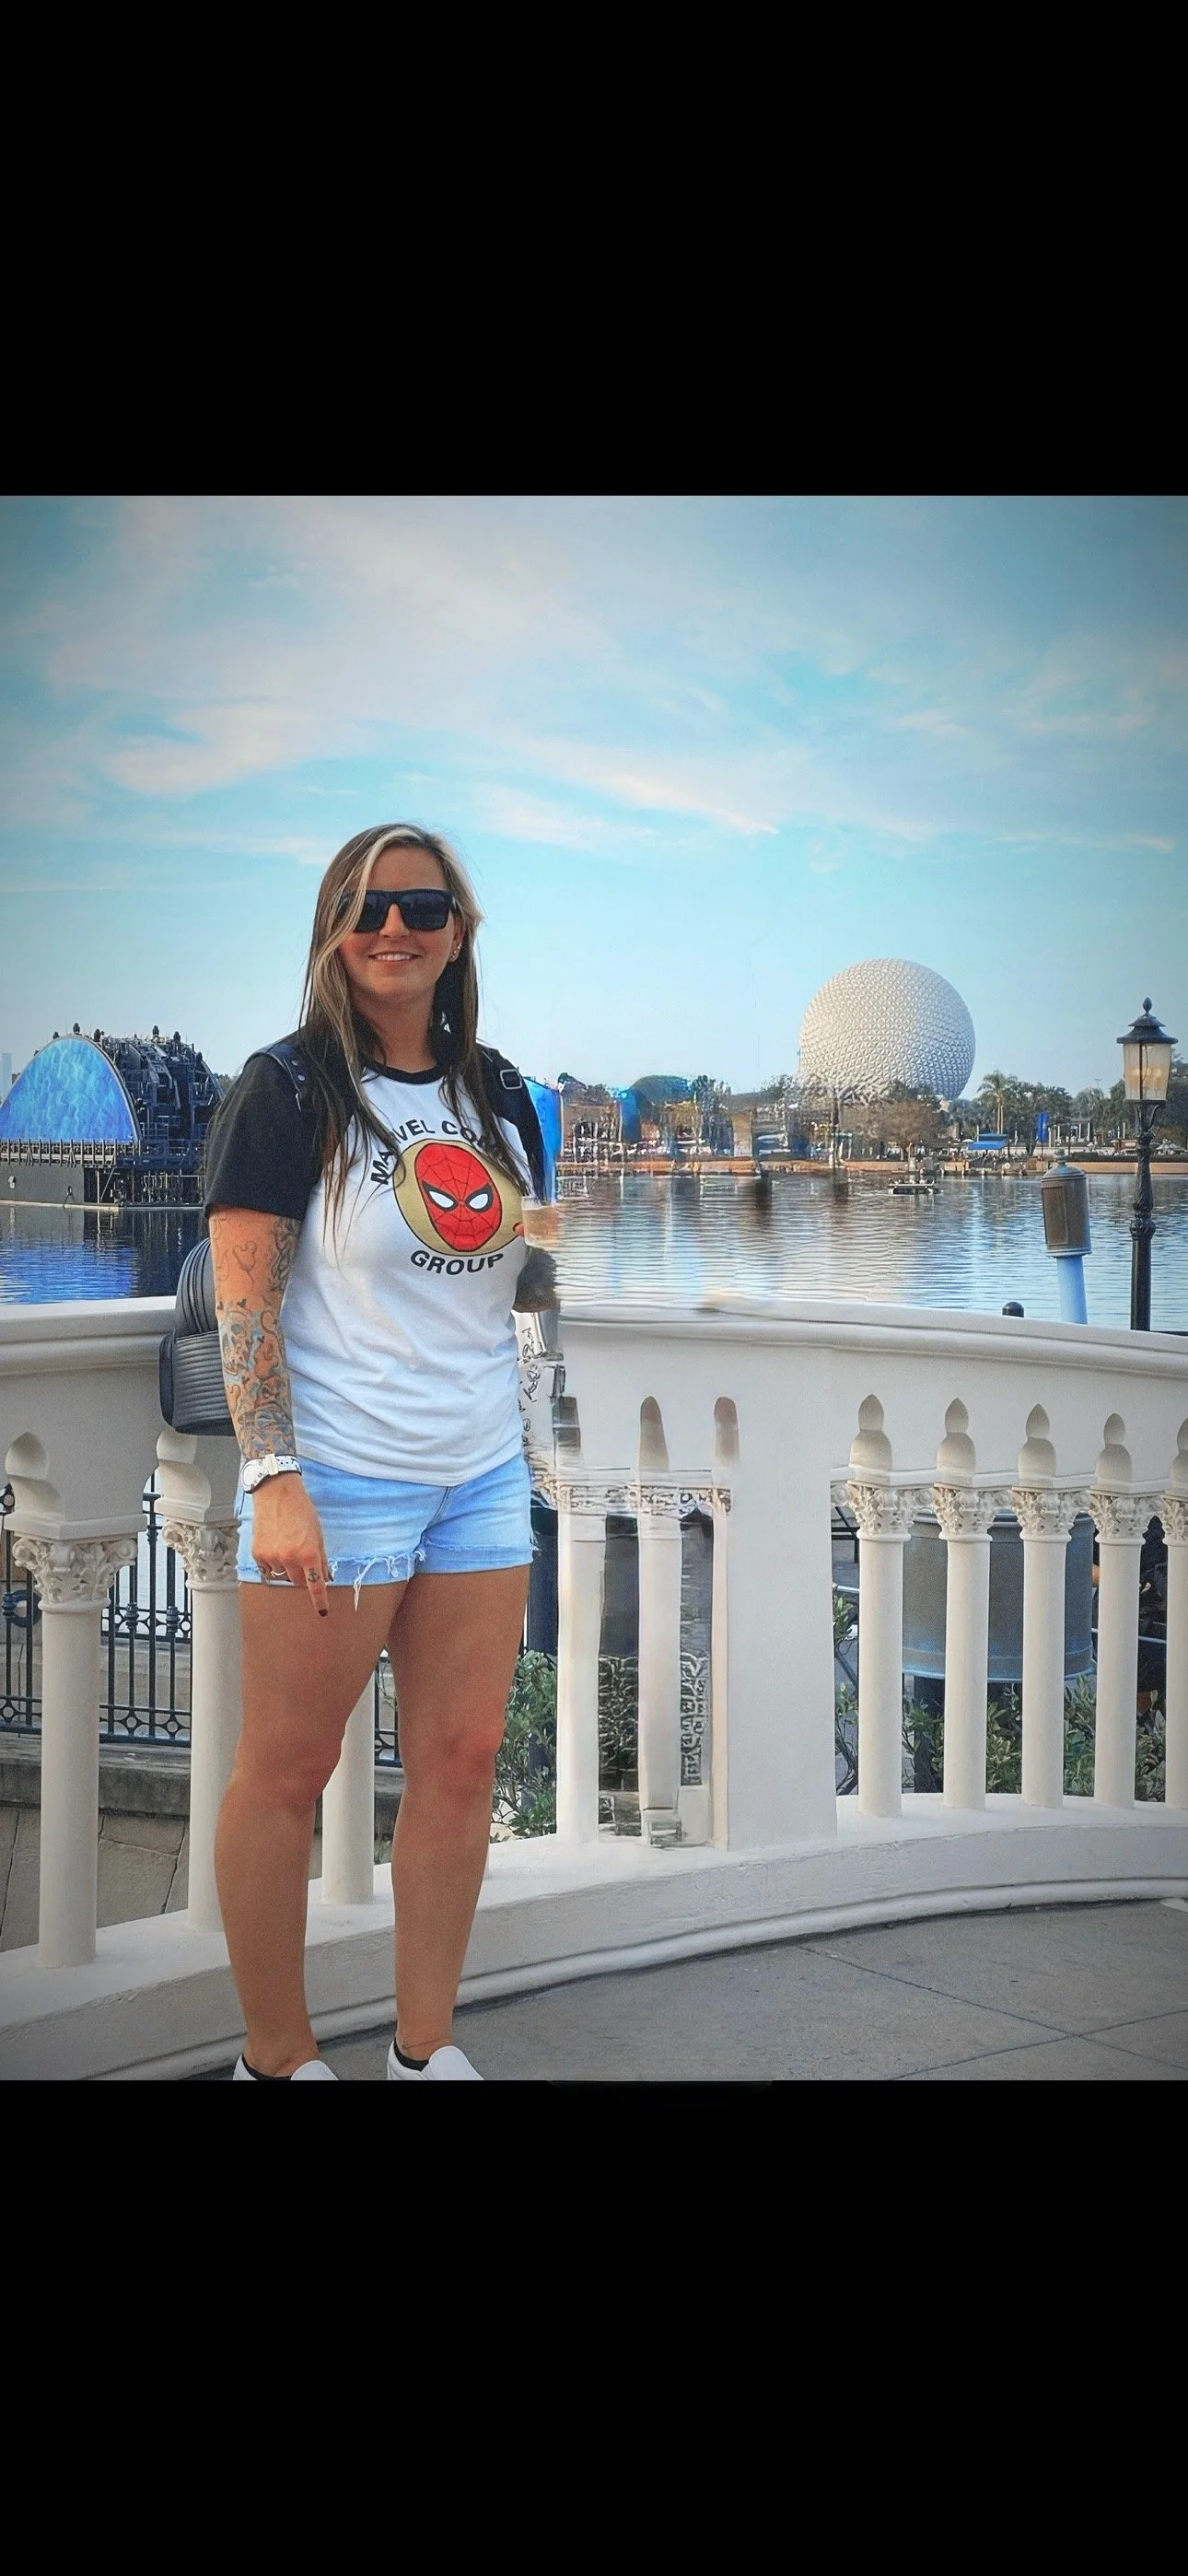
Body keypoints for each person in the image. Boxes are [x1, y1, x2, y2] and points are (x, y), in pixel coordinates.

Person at [204, 825, 556, 2080]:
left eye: (420, 906)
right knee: (287, 1770)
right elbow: (245, 1301)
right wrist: (273, 1476)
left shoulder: (502, 1094)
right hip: (342, 1473)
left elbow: (526, 1277)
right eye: (365, 907)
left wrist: (544, 1414)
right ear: (331, 932)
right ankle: (276, 2058)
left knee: (460, 1763)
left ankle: (423, 2049)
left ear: (458, 933)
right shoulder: (287, 1088)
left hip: (480, 1475)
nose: (392, 928)